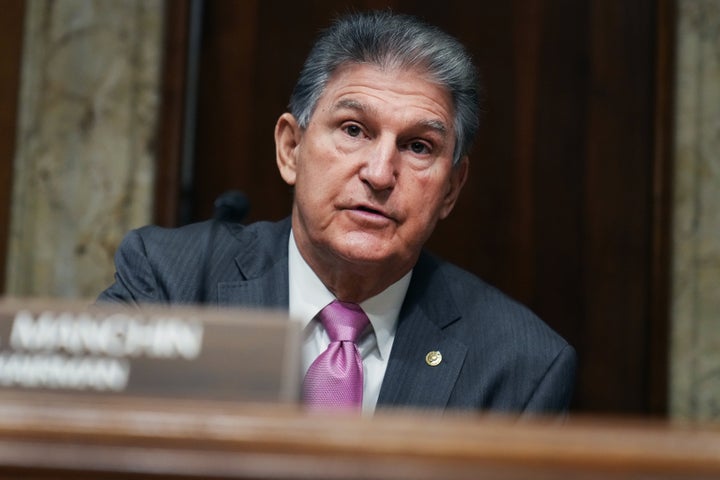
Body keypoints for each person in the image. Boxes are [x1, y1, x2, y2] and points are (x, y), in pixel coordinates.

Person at [98, 10, 576, 414]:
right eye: (353, 129)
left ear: (450, 189)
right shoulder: (171, 282)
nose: (380, 173)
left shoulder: (521, 365)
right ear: (291, 149)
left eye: (417, 146)